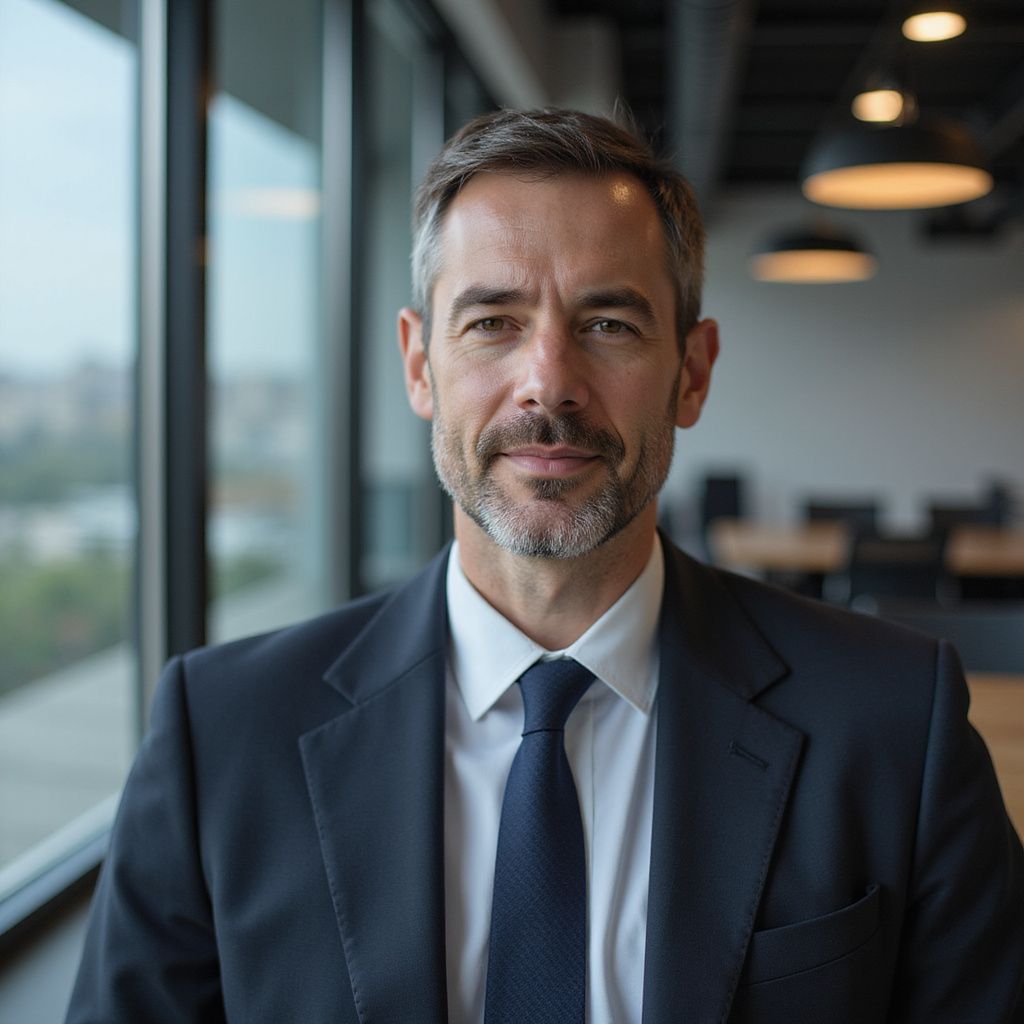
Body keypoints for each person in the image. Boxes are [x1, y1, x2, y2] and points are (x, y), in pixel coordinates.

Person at [67, 108, 1023, 1024]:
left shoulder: (897, 723)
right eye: (492, 322)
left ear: (692, 372)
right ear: (418, 364)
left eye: (609, 323)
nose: (548, 382)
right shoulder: (222, 735)